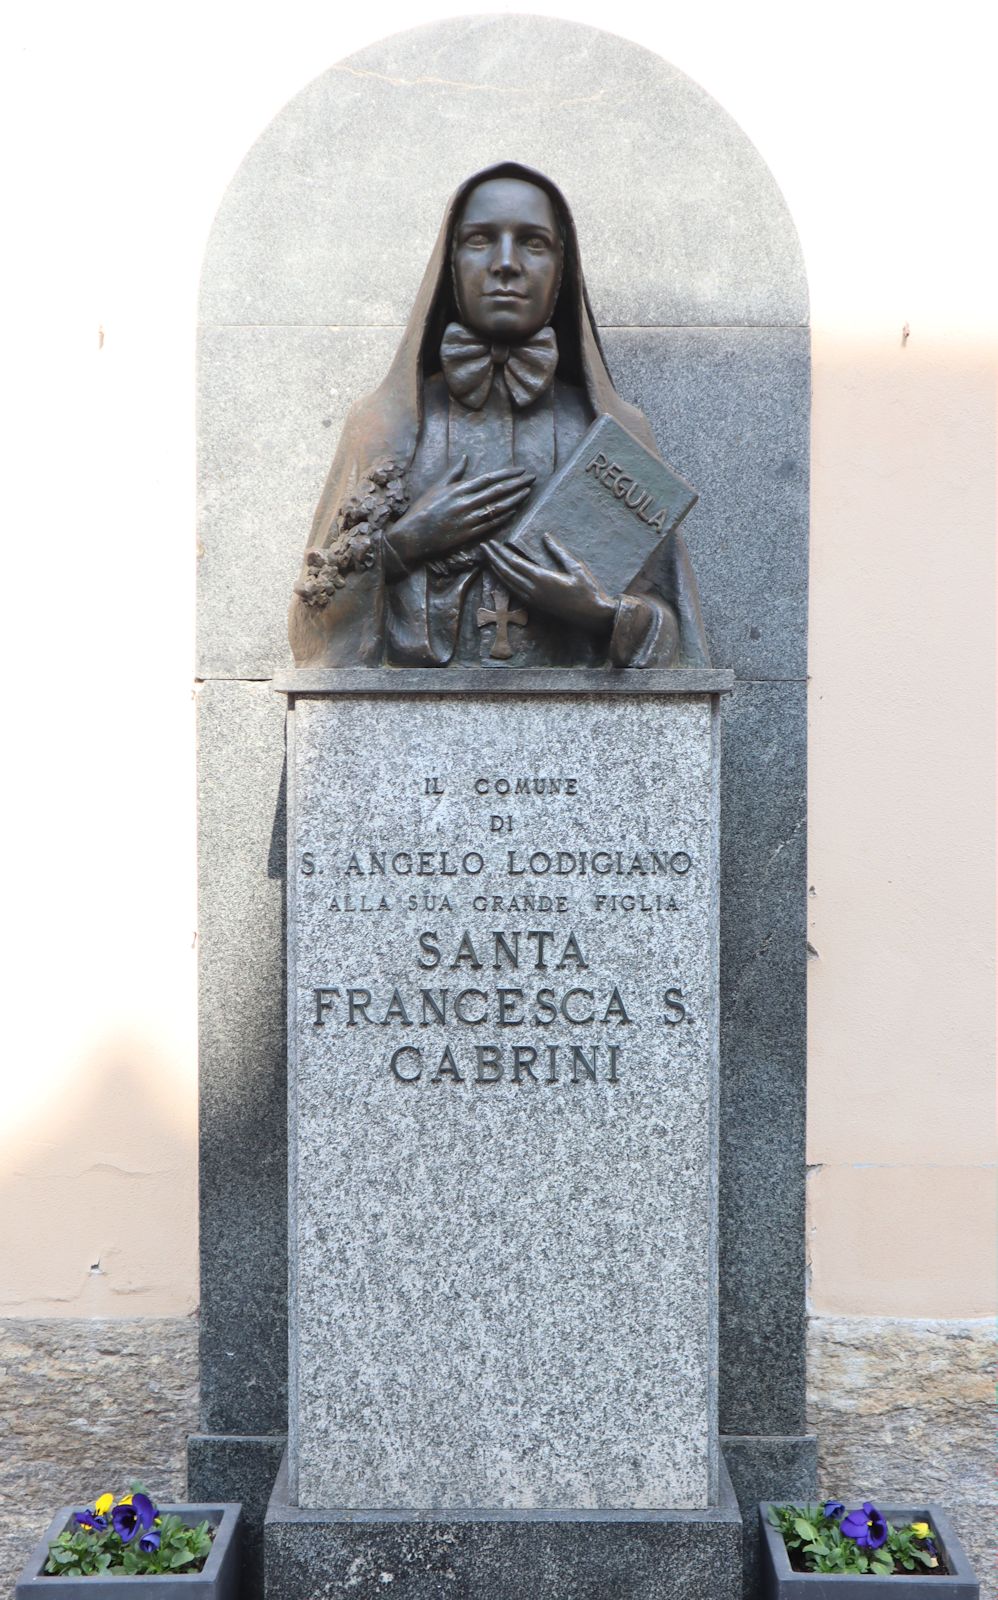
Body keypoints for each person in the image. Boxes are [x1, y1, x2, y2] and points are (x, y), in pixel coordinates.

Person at [289, 162, 709, 669]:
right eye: (480, 239)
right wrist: (403, 547)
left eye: (533, 242)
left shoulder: (613, 430)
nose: (505, 263)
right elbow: (313, 635)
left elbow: (678, 644)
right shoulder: (384, 423)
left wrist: (602, 612)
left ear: (561, 271)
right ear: (451, 265)